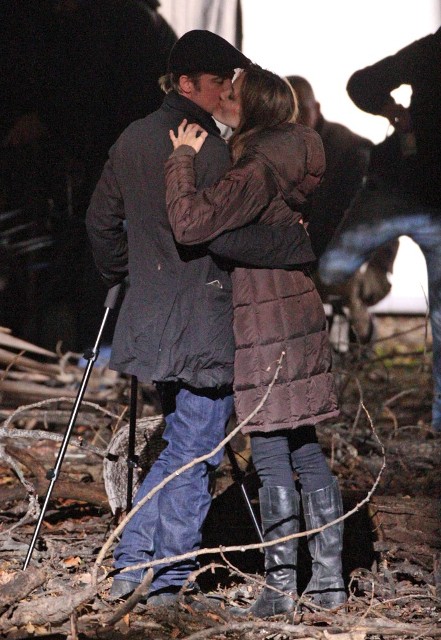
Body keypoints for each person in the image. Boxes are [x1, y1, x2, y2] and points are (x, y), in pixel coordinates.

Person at [86, 30, 316, 607]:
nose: (224, 94)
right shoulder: (215, 153)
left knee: (181, 444)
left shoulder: (132, 138)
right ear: (187, 84)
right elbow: (223, 237)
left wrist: (130, 275)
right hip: (206, 320)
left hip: (152, 320)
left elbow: (100, 223)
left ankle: (131, 567)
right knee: (195, 452)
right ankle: (161, 581)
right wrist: (291, 242)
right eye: (218, 83)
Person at [164, 64, 347, 617]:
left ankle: (280, 588)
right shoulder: (294, 151)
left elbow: (190, 222)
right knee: (304, 446)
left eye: (232, 95)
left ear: (254, 107)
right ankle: (329, 584)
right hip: (296, 304)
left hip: (266, 315)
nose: (223, 100)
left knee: (269, 449)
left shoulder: (257, 166)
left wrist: (182, 159)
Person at [318, 28, 441, 432]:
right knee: (330, 270)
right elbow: (363, 83)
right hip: (398, 187)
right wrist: (392, 111)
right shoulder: (431, 50)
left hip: (424, 201)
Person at [286, 76, 399, 347]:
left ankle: (359, 340)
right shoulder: (283, 151)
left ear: (317, 108)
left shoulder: (352, 151)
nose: (296, 119)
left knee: (340, 286)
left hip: (356, 265)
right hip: (309, 263)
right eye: (289, 112)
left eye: (301, 110)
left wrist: (377, 266)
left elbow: (383, 214)